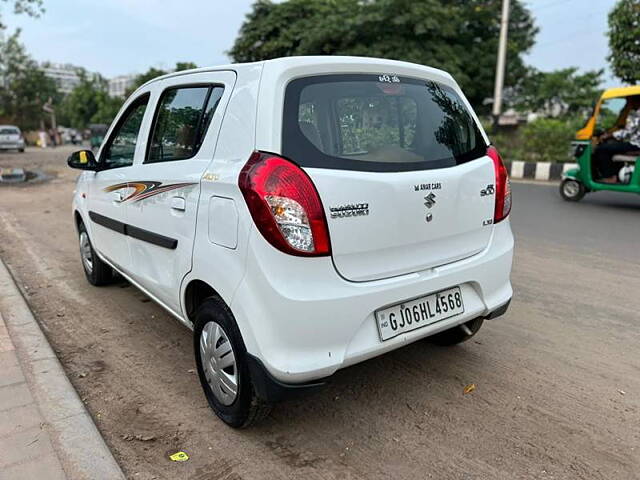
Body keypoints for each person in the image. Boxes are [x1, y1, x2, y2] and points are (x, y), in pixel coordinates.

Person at [594, 96, 640, 183]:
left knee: (602, 149)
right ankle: (617, 175)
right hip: (635, 144)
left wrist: (608, 135)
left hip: (636, 145)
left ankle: (609, 177)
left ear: (635, 101)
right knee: (613, 147)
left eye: (629, 101)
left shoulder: (638, 114)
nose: (628, 104)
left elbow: (627, 132)